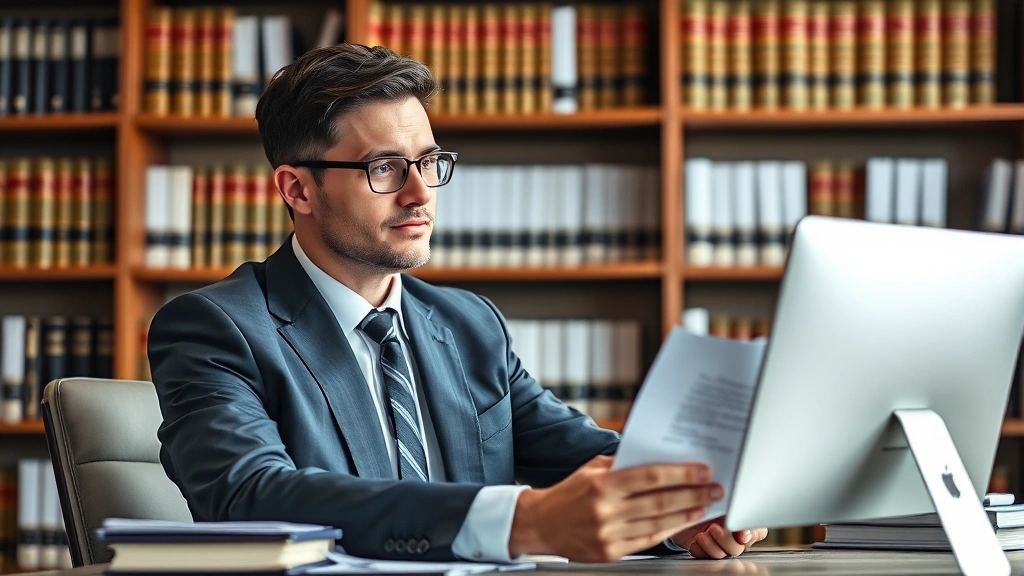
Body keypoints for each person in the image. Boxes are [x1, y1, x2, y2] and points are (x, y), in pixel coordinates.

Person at [147, 43, 768, 563]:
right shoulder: (215, 328)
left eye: (429, 161)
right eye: (385, 168)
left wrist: (687, 503)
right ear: (298, 189)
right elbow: (254, 496)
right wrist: (520, 521)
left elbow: (588, 455)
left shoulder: (467, 324)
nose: (420, 193)